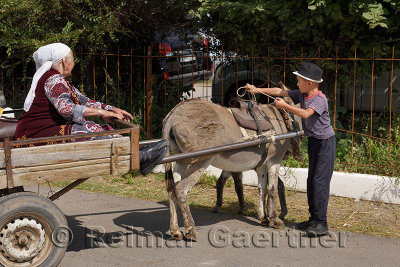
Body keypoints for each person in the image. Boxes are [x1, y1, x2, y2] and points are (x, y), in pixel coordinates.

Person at [15, 43, 168, 176]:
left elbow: (84, 101)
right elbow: (67, 110)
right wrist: (102, 113)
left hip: (40, 130)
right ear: (64, 62)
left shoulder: (56, 79)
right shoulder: (54, 79)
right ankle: (139, 157)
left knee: (98, 128)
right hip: (35, 134)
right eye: (73, 60)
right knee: (88, 129)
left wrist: (111, 109)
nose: (74, 63)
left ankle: (139, 152)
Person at [245, 62, 336, 237]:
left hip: (326, 143)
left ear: (309, 83)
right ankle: (313, 219)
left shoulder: (319, 99)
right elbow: (280, 92)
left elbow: (306, 114)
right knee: (312, 182)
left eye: (299, 80)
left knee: (320, 182)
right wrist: (256, 90)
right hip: (315, 142)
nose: (296, 83)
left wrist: (285, 106)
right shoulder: (302, 93)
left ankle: (321, 223)